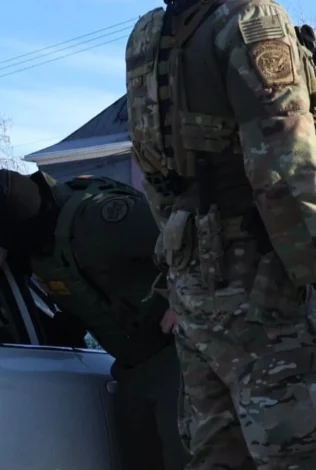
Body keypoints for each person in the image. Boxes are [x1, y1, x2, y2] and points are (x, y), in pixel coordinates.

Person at [124, 0, 316, 468]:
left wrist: (180, 264)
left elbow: (153, 172)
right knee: (296, 449)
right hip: (262, 282)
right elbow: (285, 163)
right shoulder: (251, 18)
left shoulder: (149, 32)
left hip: (194, 278)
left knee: (217, 451)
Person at [0, 169, 190, 470]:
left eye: (1, 234)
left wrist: (186, 298)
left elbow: (189, 233)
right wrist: (2, 243)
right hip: (133, 365)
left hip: (177, 354)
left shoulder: (99, 219)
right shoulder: (36, 236)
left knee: (188, 460)